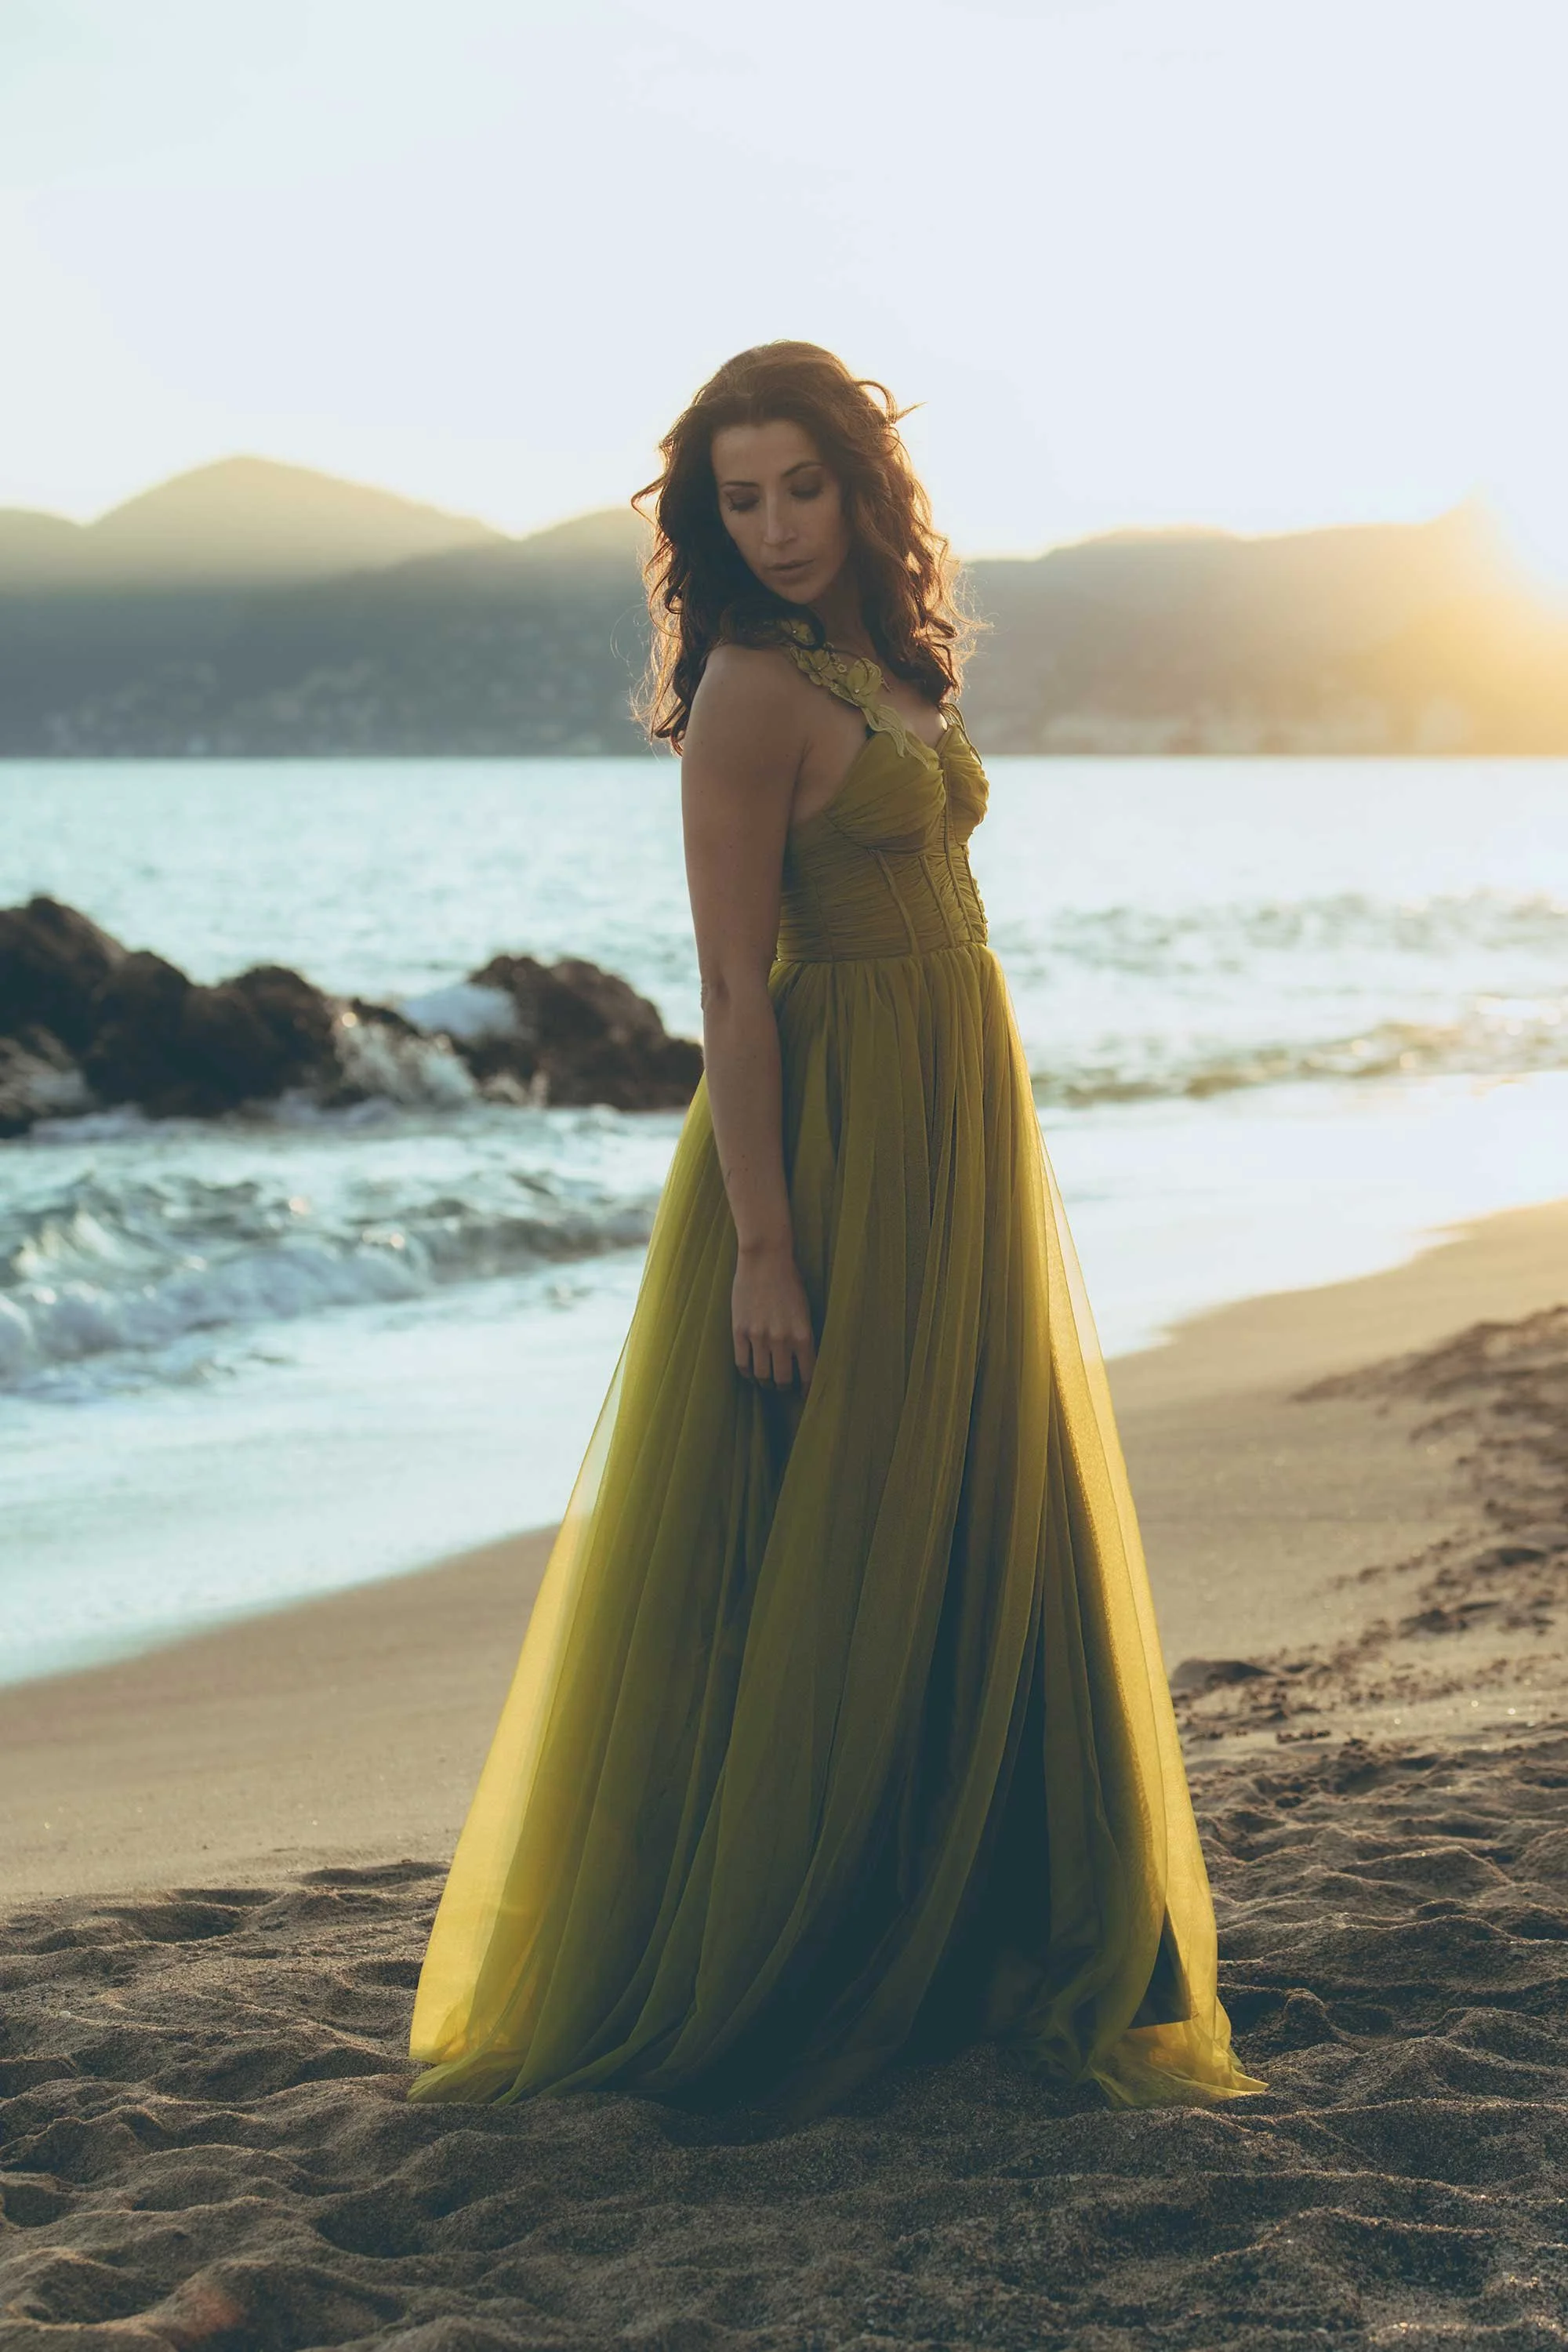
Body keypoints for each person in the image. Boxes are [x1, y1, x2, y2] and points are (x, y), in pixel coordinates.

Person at [407, 342, 1263, 2119]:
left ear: (860, 492)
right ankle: (821, 1941)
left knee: (977, 1490)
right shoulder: (742, 694)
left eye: (803, 486)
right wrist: (770, 1247)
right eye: (742, 498)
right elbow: (731, 983)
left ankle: (996, 1933)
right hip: (833, 1133)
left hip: (955, 1105)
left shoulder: (882, 663)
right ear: (707, 520)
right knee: (841, 1517)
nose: (778, 525)